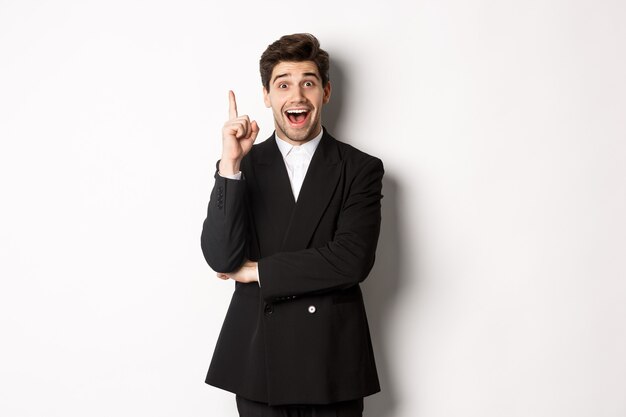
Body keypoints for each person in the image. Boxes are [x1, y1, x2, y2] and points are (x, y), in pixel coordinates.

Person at [201, 33, 384, 417]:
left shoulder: (360, 169)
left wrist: (258, 271)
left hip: (332, 364)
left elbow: (351, 262)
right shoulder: (241, 167)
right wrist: (229, 165)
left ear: (326, 92)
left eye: (308, 82)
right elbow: (221, 257)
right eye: (283, 84)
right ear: (267, 96)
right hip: (260, 364)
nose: (296, 95)